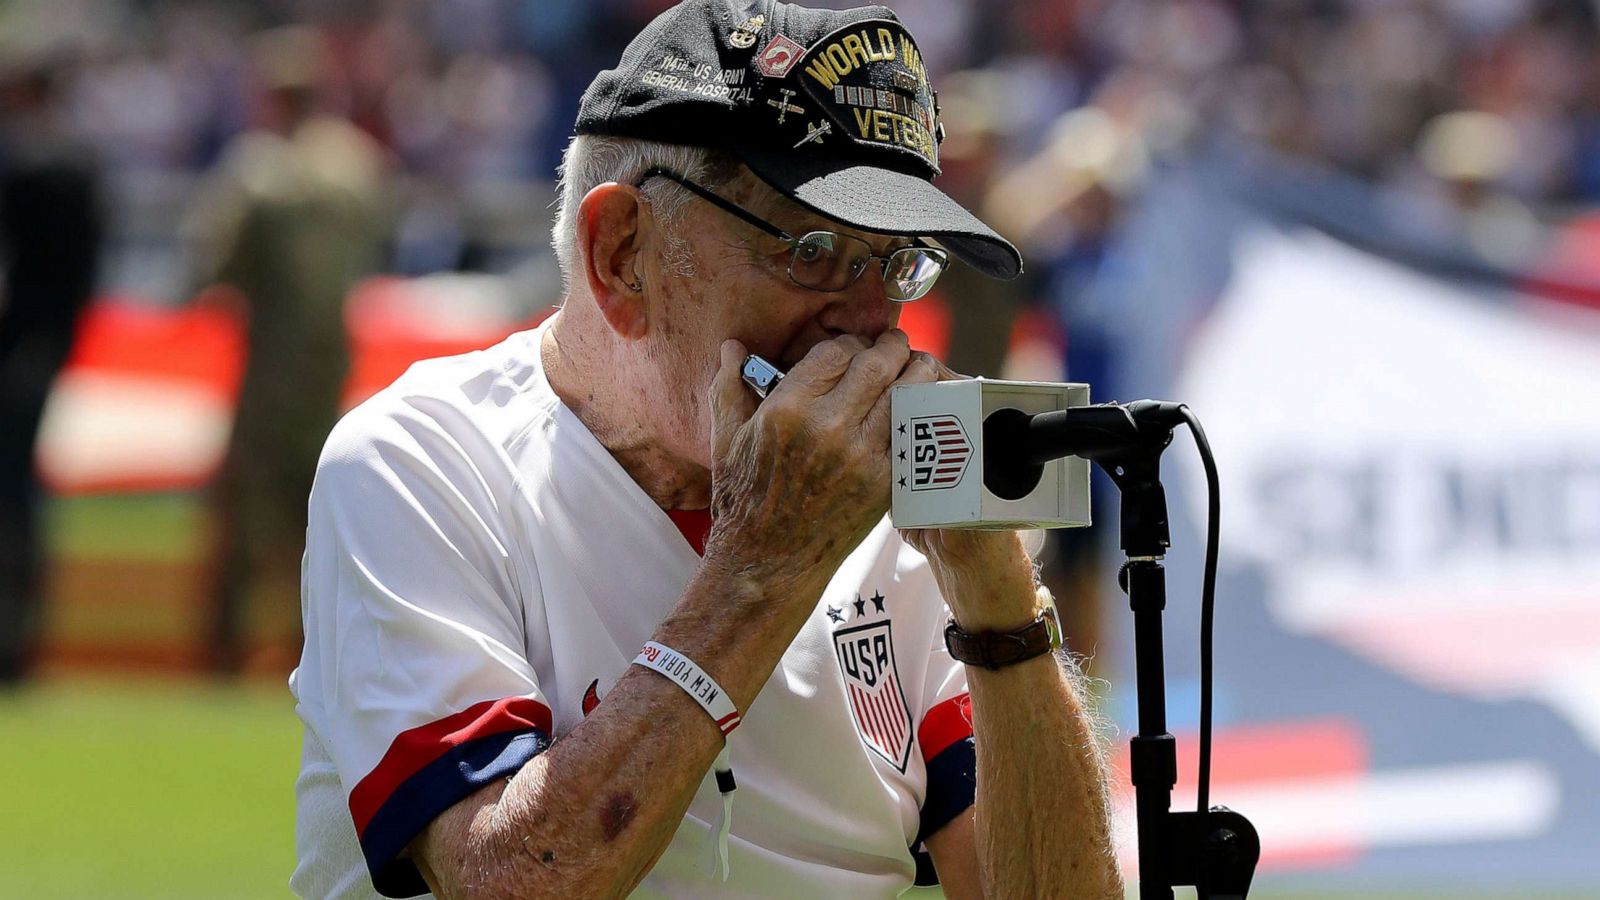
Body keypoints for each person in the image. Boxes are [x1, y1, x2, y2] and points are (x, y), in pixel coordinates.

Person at [291, 2, 1122, 898]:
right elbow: (505, 882)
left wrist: (999, 605)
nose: (869, 324)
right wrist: (766, 562)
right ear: (622, 255)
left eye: (894, 264)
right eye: (814, 250)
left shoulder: (901, 522)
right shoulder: (419, 461)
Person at [185, 26, 386, 673]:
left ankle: (223, 655)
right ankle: (321, 656)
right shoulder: (360, 169)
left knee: (243, 514)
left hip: (270, 367)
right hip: (332, 367)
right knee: (321, 520)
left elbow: (212, 270)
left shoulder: (260, 173)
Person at [0, 57, 103, 684]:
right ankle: (23, 635)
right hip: (52, 343)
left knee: (11, 495)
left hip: (16, 349)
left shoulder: (22, 164)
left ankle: (12, 639)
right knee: (21, 493)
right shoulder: (80, 163)